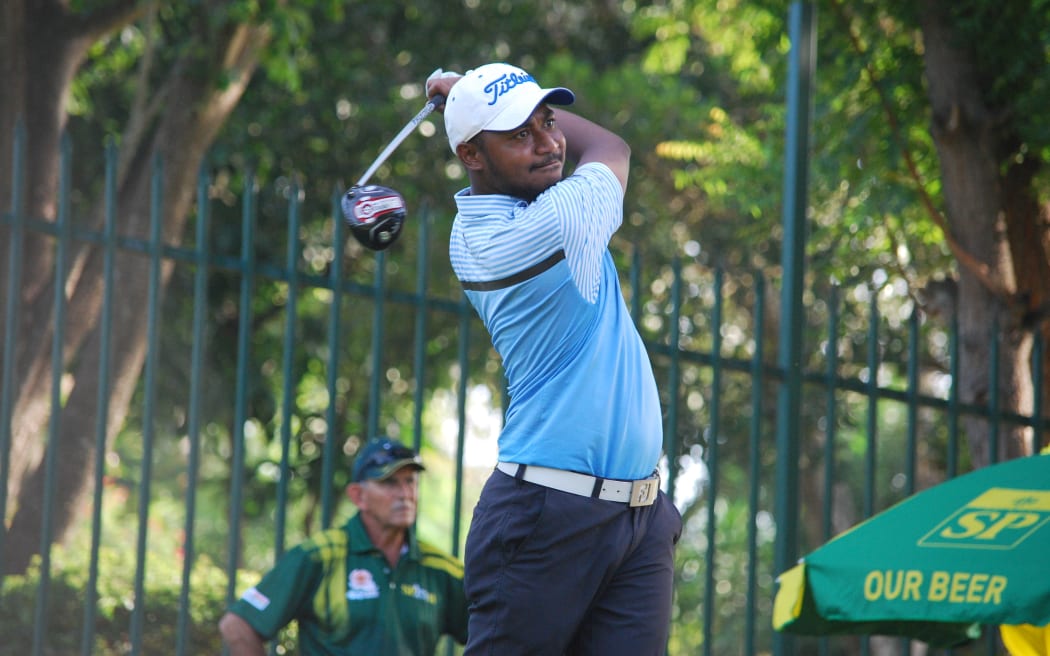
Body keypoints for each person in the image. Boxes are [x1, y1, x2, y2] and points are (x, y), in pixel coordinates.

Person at [425, 63, 683, 655]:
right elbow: (610, 147)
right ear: (471, 155)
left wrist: (476, 100)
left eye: (548, 122)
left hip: (639, 516)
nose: (549, 144)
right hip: (547, 516)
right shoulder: (549, 223)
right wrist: (467, 93)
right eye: (520, 134)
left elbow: (569, 148)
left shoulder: (486, 221)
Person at [218, 436, 468, 655]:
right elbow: (237, 625)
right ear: (358, 496)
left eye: (410, 482)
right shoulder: (318, 557)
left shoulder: (441, 568)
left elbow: (488, 630)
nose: (405, 494)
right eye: (389, 483)